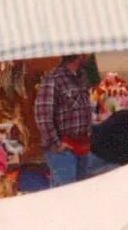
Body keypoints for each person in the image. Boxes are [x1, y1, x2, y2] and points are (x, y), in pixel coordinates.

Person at [35, 54, 94, 186]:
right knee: (66, 195)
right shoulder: (53, 79)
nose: (89, 54)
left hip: (82, 145)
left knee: (80, 191)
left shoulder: (81, 75)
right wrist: (56, 143)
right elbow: (42, 115)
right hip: (64, 150)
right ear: (78, 54)